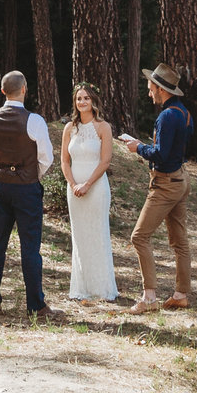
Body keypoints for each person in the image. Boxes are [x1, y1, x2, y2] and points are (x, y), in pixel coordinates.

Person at [0, 69, 56, 321]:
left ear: (2, 91)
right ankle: (35, 305)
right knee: (30, 247)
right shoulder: (34, 121)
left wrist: (5, 169)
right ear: (24, 90)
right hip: (26, 189)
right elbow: (46, 159)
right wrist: (30, 175)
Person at [125, 62, 194, 314]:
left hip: (165, 183)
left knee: (139, 236)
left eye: (150, 88)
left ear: (160, 89)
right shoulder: (184, 113)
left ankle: (149, 297)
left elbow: (162, 155)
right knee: (179, 241)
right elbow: (177, 149)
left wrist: (138, 148)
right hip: (181, 179)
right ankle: (181, 294)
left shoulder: (166, 116)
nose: (148, 92)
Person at [61, 83, 120, 304]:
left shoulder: (103, 127)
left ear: (93, 101)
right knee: (80, 235)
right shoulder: (69, 129)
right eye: (79, 99)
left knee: (98, 233)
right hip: (74, 189)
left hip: (96, 188)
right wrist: (73, 184)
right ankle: (81, 287)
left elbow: (105, 161)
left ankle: (103, 288)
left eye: (86, 98)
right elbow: (65, 161)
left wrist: (87, 184)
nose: (82, 102)